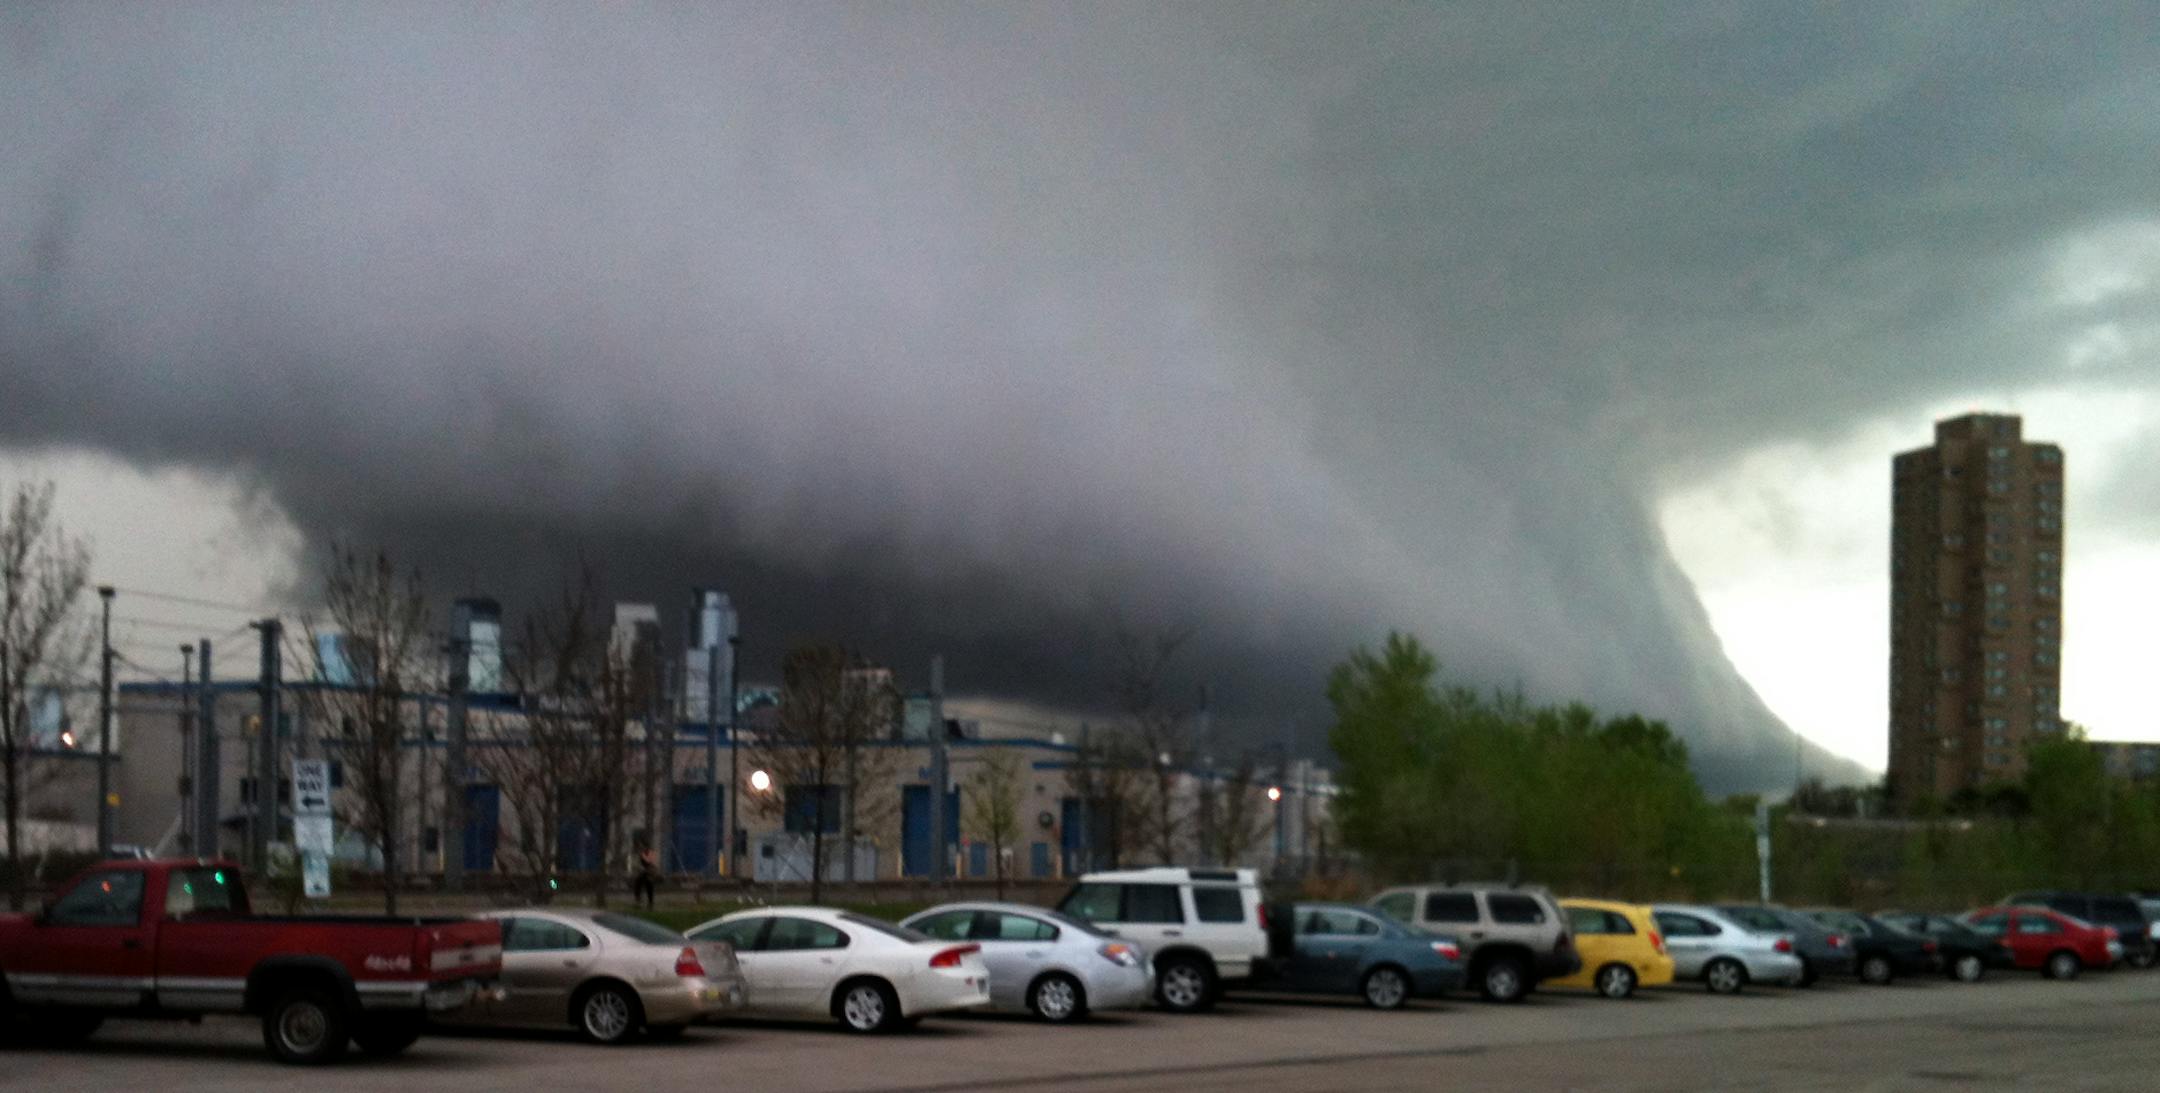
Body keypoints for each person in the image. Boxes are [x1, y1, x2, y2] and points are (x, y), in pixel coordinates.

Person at [633, 844, 660, 909]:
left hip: (649, 873)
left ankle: (650, 903)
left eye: (643, 847)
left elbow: (651, 863)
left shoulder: (650, 854)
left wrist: (649, 869)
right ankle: (638, 901)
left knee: (649, 886)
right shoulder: (642, 854)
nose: (642, 848)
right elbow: (638, 864)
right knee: (638, 885)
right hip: (643, 873)